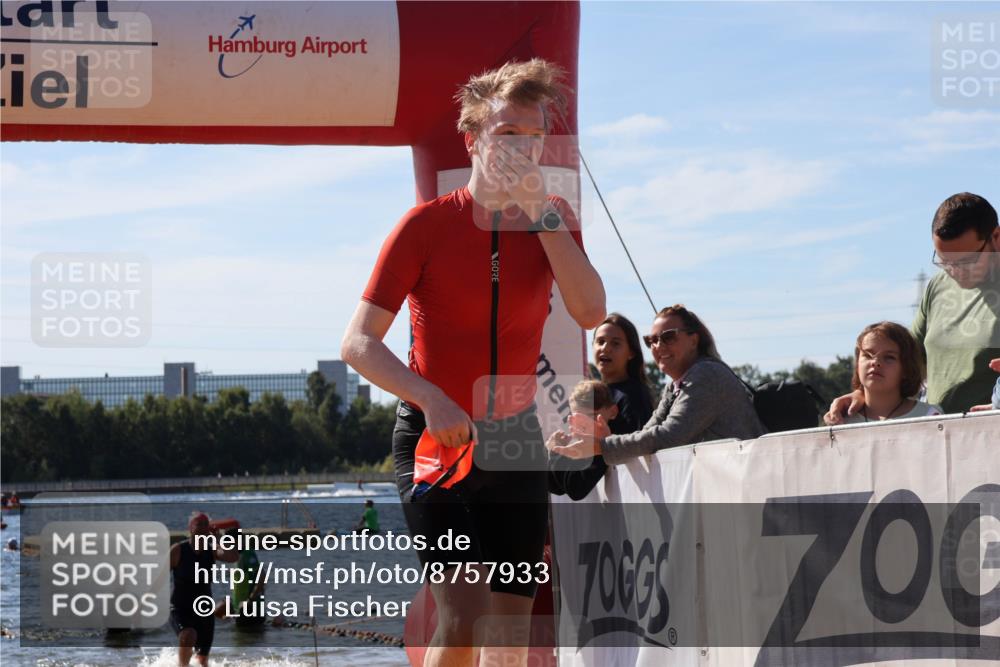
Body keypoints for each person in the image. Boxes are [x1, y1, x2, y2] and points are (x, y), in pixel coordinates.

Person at [340, 58, 605, 666]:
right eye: (508, 133)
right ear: (474, 138)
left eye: (535, 136)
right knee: (460, 620)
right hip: (439, 439)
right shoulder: (426, 225)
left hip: (514, 439)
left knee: (511, 634)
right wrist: (431, 398)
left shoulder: (551, 221)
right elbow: (358, 343)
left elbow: (590, 311)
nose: (524, 148)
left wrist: (542, 214)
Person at [827, 193, 999, 420]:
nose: (954, 271)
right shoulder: (938, 286)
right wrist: (862, 394)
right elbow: (906, 358)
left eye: (966, 261)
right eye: (944, 261)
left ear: (996, 236)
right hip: (935, 438)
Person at [552, 305, 764, 463]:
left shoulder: (707, 374)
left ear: (694, 340)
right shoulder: (674, 386)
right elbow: (648, 432)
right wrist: (603, 441)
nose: (658, 346)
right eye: (651, 340)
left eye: (668, 337)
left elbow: (668, 436)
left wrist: (601, 445)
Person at [548, 314, 655, 499]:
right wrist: (557, 452)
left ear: (631, 352)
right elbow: (559, 487)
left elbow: (577, 485)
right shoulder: (593, 392)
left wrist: (557, 456)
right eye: (600, 341)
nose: (605, 348)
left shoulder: (634, 397)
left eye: (615, 343)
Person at [169, 512, 237, 666]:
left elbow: (233, 557)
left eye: (206, 524)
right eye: (199, 524)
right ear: (190, 528)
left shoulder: (212, 550)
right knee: (188, 634)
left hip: (204, 609)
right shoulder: (178, 550)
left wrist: (219, 539)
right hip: (181, 607)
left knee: (202, 659)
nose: (203, 528)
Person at [838, 322, 941, 423]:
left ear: (906, 369)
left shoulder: (930, 416)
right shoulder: (840, 419)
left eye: (889, 357)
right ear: (857, 364)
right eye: (868, 355)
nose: (875, 362)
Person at [547, 380, 623, 500]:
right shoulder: (580, 446)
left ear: (613, 411)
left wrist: (557, 454)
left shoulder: (608, 445)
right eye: (576, 417)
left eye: (591, 416)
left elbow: (576, 489)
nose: (582, 423)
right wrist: (556, 452)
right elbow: (555, 486)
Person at [223, 526, 266, 628]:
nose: (225, 545)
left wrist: (250, 600)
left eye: (227, 542)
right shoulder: (237, 556)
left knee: (248, 640)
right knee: (240, 641)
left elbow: (262, 576)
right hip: (241, 609)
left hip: (251, 610)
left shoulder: (247, 554)